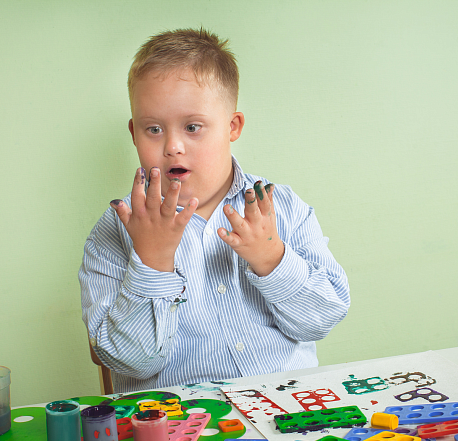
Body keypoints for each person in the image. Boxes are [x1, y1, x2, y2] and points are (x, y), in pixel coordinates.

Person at [79, 28, 350, 393]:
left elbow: (322, 319)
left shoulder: (281, 207)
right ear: (134, 132)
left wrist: (273, 258)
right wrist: (152, 262)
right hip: (174, 423)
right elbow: (130, 361)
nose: (173, 146)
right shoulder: (116, 230)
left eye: (193, 127)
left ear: (232, 126)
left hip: (287, 406)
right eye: (154, 129)